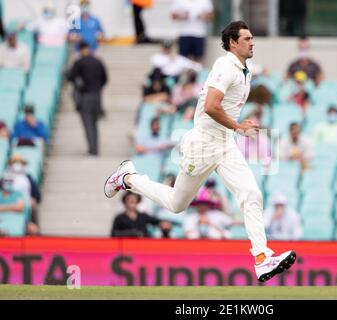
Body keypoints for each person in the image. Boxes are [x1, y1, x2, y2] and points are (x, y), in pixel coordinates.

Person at [105, 21, 296, 282]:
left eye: (252, 38)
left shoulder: (244, 70)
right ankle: (127, 178)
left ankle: (262, 258)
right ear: (232, 43)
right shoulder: (225, 66)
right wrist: (239, 127)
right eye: (247, 39)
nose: (252, 42)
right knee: (176, 205)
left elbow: (224, 107)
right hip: (203, 144)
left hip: (224, 143)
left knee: (251, 193)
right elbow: (211, 106)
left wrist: (236, 128)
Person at [67, 41, 108, 156]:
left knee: (88, 124)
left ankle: (92, 150)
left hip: (85, 97)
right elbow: (105, 79)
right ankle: (95, 148)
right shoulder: (98, 61)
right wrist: (97, 88)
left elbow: (70, 77)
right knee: (94, 124)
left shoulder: (79, 62)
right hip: (97, 97)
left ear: (80, 50)